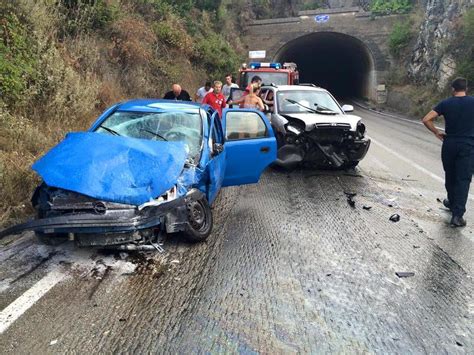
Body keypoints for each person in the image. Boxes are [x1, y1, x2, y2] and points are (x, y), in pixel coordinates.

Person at [422, 77, 474, 227]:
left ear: (453, 89)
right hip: (468, 145)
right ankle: (457, 215)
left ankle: (451, 202)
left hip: (449, 143)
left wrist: (436, 132)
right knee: (463, 179)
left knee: (450, 175)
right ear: (466, 89)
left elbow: (426, 119)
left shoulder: (446, 103)